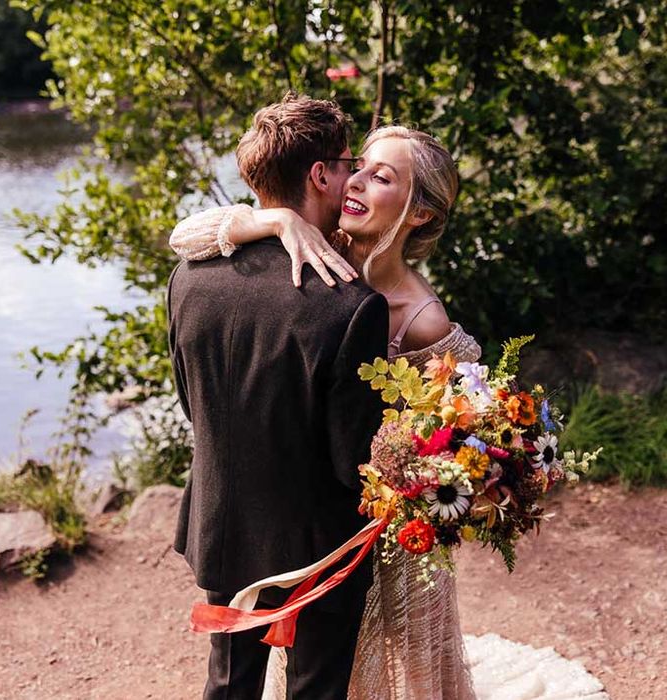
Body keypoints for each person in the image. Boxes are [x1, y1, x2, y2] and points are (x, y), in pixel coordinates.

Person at [171, 121, 481, 699]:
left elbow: (445, 434)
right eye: (357, 166)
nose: (357, 181)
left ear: (418, 213)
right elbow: (186, 236)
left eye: (380, 176)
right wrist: (274, 217)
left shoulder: (422, 320)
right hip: (308, 522)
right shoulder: (312, 246)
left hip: (373, 530)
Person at [167, 93, 390, 699]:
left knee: (229, 684)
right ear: (319, 175)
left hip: (223, 519)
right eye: (347, 163)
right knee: (315, 690)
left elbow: (193, 401)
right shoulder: (352, 307)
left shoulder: (190, 276)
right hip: (318, 545)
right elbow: (354, 464)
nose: (355, 177)